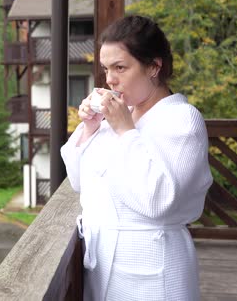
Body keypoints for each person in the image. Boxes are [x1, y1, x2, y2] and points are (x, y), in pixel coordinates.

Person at [60, 15, 213, 300]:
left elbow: (158, 202)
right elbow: (79, 182)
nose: (110, 79)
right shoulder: (119, 116)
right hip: (103, 265)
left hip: (154, 267)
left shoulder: (181, 120)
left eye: (120, 67)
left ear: (154, 66)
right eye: (106, 68)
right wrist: (91, 128)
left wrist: (125, 132)